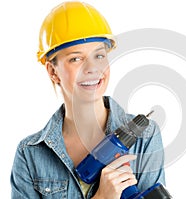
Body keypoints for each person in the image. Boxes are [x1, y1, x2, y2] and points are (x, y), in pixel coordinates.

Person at [10, 1, 165, 198]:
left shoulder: (146, 136)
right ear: (53, 71)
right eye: (76, 58)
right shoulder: (30, 154)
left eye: (99, 56)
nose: (92, 68)